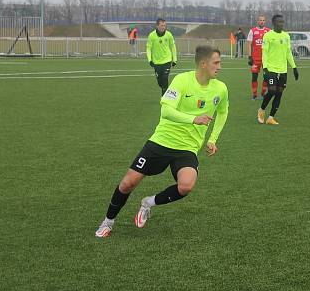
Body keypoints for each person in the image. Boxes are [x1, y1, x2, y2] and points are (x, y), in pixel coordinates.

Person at [95, 45, 229, 238]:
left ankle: (148, 203)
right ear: (203, 63)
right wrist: (193, 118)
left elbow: (223, 112)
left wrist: (212, 139)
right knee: (127, 184)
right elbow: (166, 111)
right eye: (216, 62)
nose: (220, 66)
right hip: (161, 142)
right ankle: (108, 221)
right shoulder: (182, 80)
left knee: (186, 186)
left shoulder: (220, 88)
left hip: (187, 148)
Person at [257, 14, 298, 125]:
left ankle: (271, 118)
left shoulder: (286, 36)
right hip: (271, 69)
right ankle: (261, 109)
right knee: (272, 90)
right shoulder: (268, 36)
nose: (281, 24)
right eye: (279, 22)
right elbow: (264, 53)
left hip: (283, 70)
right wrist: (265, 68)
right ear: (274, 23)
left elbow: (288, 53)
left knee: (279, 93)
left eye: (282, 22)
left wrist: (294, 67)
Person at [146, 18, 178, 95]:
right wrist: (150, 60)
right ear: (157, 26)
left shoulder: (169, 34)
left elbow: (173, 47)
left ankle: (164, 98)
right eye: (161, 25)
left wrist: (174, 59)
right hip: (156, 62)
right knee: (160, 82)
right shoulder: (151, 36)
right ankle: (166, 90)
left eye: (164, 25)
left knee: (165, 78)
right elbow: (148, 48)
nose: (163, 27)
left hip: (167, 60)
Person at [247, 15, 270, 99]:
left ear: (265, 21)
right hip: (255, 59)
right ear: (257, 21)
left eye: (263, 20)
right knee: (254, 77)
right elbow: (249, 44)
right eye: (260, 20)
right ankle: (254, 94)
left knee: (266, 77)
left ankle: (263, 93)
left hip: (266, 59)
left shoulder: (268, 31)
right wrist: (249, 56)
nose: (262, 21)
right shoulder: (252, 31)